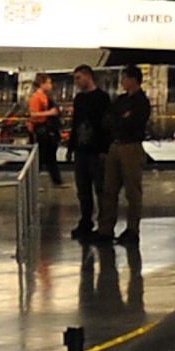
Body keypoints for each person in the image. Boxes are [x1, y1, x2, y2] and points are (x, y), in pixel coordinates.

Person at [95, 65, 151, 245]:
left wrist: (120, 121)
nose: (121, 82)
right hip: (115, 145)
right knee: (109, 189)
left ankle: (132, 229)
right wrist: (120, 120)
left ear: (133, 79)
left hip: (131, 148)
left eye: (124, 78)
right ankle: (105, 229)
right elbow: (108, 120)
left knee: (132, 191)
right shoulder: (120, 100)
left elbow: (133, 122)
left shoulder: (141, 102)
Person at [66, 65, 110, 239]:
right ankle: (86, 220)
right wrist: (71, 147)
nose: (76, 82)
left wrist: (104, 148)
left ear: (88, 77)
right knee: (83, 189)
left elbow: (106, 125)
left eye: (78, 78)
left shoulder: (102, 98)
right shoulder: (79, 99)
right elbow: (75, 123)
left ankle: (104, 224)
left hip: (96, 151)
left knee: (100, 188)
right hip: (81, 150)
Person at [27, 72, 61, 184]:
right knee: (40, 158)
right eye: (48, 83)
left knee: (50, 156)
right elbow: (33, 114)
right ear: (42, 84)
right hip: (40, 130)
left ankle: (57, 180)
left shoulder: (45, 97)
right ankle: (31, 182)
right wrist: (49, 113)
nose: (51, 85)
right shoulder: (36, 98)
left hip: (47, 129)